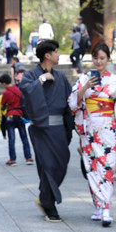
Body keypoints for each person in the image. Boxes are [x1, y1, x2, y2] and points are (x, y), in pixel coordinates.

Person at [69, 43, 116, 226]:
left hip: (108, 129)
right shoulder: (84, 78)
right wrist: (85, 87)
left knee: (107, 166)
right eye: (95, 58)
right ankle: (97, 205)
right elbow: (73, 104)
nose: (98, 61)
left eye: (102, 58)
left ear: (108, 59)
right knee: (92, 167)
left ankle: (106, 208)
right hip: (89, 129)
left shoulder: (115, 80)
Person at [19, 39, 72, 222]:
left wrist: (70, 126)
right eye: (56, 52)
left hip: (59, 128)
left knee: (62, 164)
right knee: (48, 165)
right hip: (41, 128)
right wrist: (41, 80)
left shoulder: (62, 77)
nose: (59, 55)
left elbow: (69, 102)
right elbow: (24, 91)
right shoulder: (31, 76)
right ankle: (49, 204)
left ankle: (44, 197)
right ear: (47, 56)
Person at [0, 73, 33, 166]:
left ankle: (12, 159)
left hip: (10, 116)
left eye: (2, 84)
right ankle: (28, 157)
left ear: (4, 83)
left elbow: (3, 104)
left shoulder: (6, 93)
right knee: (24, 137)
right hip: (20, 115)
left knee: (11, 138)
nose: (2, 86)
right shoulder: (18, 90)